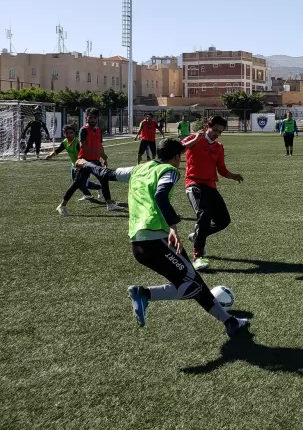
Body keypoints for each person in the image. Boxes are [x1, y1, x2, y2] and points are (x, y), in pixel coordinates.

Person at [74, 139, 249, 337]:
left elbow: (107, 173)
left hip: (137, 242)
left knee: (193, 281)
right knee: (192, 283)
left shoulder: (137, 169)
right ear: (177, 157)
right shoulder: (170, 171)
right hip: (156, 238)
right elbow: (160, 195)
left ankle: (230, 322)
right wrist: (173, 226)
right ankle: (145, 293)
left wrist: (85, 163)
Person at [182, 116, 244, 270]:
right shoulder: (194, 139)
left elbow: (221, 169)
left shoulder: (218, 147)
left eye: (220, 132)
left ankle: (197, 236)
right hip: (194, 184)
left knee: (224, 221)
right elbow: (180, 149)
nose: (217, 134)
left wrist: (233, 175)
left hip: (210, 186)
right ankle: (198, 255)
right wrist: (195, 138)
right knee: (204, 214)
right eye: (215, 130)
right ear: (206, 127)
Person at [56, 108, 123, 215]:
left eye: (94, 117)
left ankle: (110, 204)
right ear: (86, 117)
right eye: (90, 117)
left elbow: (100, 145)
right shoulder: (84, 130)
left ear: (97, 118)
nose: (92, 119)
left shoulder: (98, 130)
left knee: (104, 180)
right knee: (77, 183)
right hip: (84, 161)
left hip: (95, 161)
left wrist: (104, 158)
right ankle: (62, 206)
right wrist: (99, 153)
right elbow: (83, 146)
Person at [46, 124, 103, 200]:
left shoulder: (77, 143)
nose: (69, 135)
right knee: (76, 183)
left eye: (71, 132)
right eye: (67, 133)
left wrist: (81, 165)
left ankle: (95, 189)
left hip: (82, 165)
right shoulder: (65, 142)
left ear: (74, 133)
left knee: (80, 183)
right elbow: (58, 150)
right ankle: (91, 192)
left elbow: (84, 155)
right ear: (64, 134)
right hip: (74, 165)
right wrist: (51, 155)